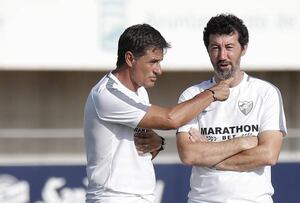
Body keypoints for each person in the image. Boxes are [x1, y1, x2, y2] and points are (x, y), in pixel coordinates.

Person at [83, 23, 232, 203]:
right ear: (130, 59)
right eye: (153, 61)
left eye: (159, 62)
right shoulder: (107, 94)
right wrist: (212, 93)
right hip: (113, 197)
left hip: (141, 197)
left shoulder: (139, 91)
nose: (159, 70)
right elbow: (171, 119)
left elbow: (139, 150)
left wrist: (157, 144)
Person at [176, 14, 287, 203]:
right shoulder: (191, 95)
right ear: (208, 50)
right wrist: (243, 143)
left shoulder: (266, 93)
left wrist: (208, 153)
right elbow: (188, 155)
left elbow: (269, 154)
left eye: (229, 47)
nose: (222, 56)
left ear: (243, 48)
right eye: (215, 48)